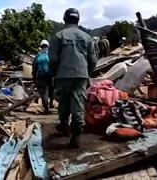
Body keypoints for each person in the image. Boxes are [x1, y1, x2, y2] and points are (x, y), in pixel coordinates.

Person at [49, 8, 98, 148]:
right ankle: (75, 137)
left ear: (65, 19)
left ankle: (64, 127)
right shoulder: (87, 37)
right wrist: (88, 74)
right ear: (78, 20)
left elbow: (52, 59)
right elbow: (93, 59)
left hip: (63, 75)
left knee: (63, 104)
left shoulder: (58, 36)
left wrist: (54, 74)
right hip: (81, 75)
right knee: (78, 106)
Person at [32, 40, 54, 114]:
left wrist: (34, 78)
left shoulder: (38, 56)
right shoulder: (51, 55)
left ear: (41, 47)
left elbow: (34, 68)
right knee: (51, 90)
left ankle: (46, 108)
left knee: (44, 93)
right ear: (48, 46)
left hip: (41, 76)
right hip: (51, 76)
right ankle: (51, 103)